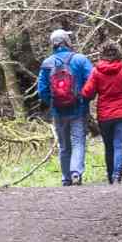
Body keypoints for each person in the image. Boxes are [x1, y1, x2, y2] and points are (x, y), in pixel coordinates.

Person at [81, 40, 122, 184]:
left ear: (102, 55)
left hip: (104, 116)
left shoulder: (96, 72)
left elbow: (87, 93)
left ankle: (111, 177)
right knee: (119, 145)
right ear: (118, 53)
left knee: (109, 146)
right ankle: (117, 176)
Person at [35, 29, 93, 186]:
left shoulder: (47, 63)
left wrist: (53, 102)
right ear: (67, 41)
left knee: (64, 146)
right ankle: (76, 173)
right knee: (78, 141)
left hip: (58, 111)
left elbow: (42, 90)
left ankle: (66, 178)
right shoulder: (80, 59)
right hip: (78, 109)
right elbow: (92, 81)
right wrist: (85, 99)